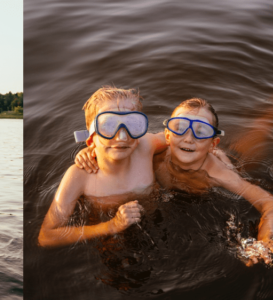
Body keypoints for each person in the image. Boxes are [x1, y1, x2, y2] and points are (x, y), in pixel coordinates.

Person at [76, 98, 273, 264]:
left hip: (211, 180)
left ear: (213, 143)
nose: (189, 138)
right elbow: (116, 142)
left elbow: (268, 202)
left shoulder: (218, 174)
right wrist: (91, 151)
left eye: (201, 131)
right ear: (168, 135)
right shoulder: (153, 154)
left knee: (252, 146)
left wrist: (263, 242)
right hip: (168, 196)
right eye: (180, 127)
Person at [38, 86, 167, 247]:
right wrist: (110, 226)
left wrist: (209, 145)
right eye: (108, 125)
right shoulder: (80, 176)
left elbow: (176, 137)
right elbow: (46, 236)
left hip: (157, 227)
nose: (122, 136)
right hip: (108, 237)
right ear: (91, 138)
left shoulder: (146, 145)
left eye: (132, 124)